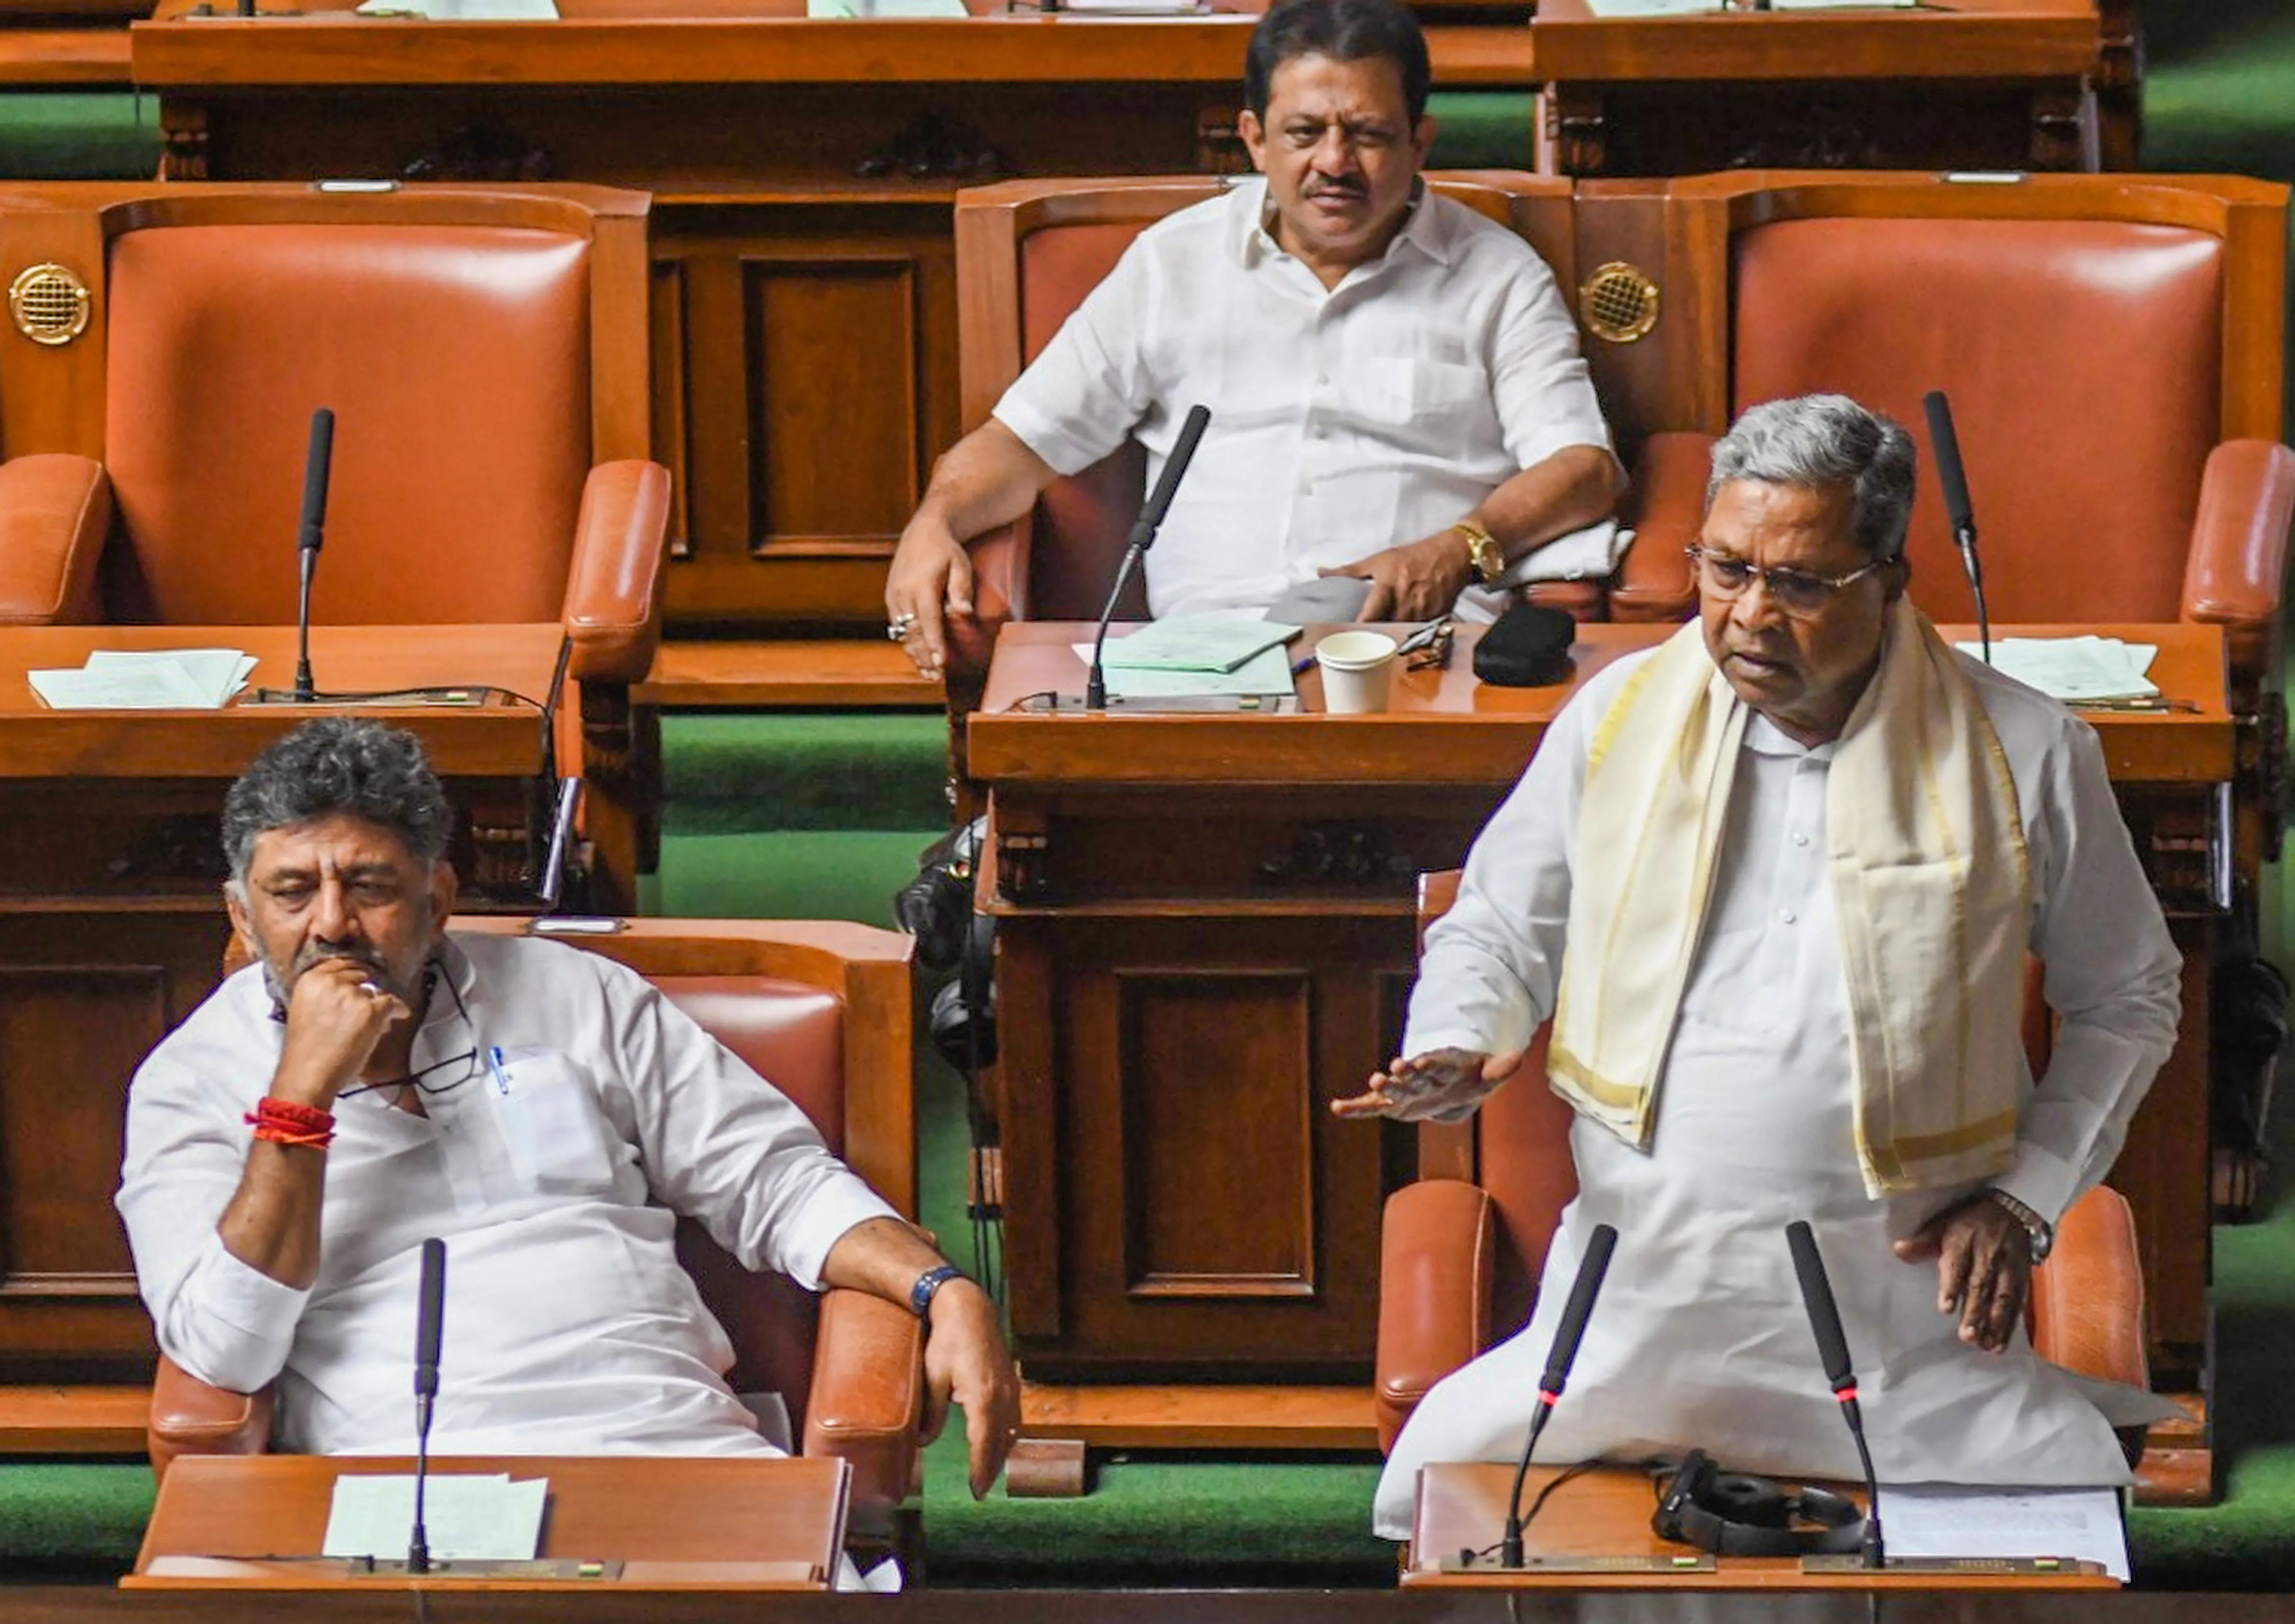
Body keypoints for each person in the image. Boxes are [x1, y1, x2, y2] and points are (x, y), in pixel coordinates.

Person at [1333, 394, 2182, 1538]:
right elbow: (1497, 923)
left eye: (1802, 582)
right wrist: (1462, 1033)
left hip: (1906, 1329)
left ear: (1891, 577)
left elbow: (2130, 998)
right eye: (1725, 568)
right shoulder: (1618, 715)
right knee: (1439, 1506)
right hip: (1633, 1318)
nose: (1749, 616)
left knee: (2061, 1529)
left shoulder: (2023, 751)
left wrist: (2029, 1198)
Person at [117, 719, 1021, 1500]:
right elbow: (225, 1352)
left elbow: (774, 1182)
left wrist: (943, 1286)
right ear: (241, 916)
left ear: (438, 900)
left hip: (663, 1440)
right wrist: (299, 1101)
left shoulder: (577, 993)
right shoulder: (191, 1080)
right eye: (291, 891)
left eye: (371, 885)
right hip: (406, 1481)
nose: (332, 925)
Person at [883, 0, 1620, 679]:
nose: (1334, 163)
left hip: (1412, 653)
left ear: (1419, 141)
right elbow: (1020, 442)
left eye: (1367, 135)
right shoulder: (1172, 265)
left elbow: (1584, 466)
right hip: (1199, 660)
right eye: (1304, 134)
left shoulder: (1497, 275)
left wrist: (1457, 549)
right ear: (1254, 140)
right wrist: (933, 521)